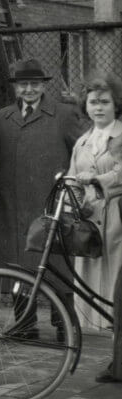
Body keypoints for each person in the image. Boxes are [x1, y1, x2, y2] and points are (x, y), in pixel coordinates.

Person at [0, 58, 85, 337]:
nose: (29, 89)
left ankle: (65, 326)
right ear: (16, 88)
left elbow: (81, 153)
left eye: (34, 84)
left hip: (52, 205)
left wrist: (73, 192)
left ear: (43, 85)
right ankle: (24, 323)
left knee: (57, 266)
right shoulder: (3, 117)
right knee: (18, 265)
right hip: (14, 206)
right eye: (23, 84)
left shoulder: (64, 114)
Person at [67, 72, 122, 331]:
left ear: (116, 105)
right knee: (93, 273)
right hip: (91, 220)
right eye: (93, 102)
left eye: (104, 102)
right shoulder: (82, 142)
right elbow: (72, 178)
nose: (98, 108)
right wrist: (73, 204)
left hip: (118, 219)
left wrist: (98, 179)